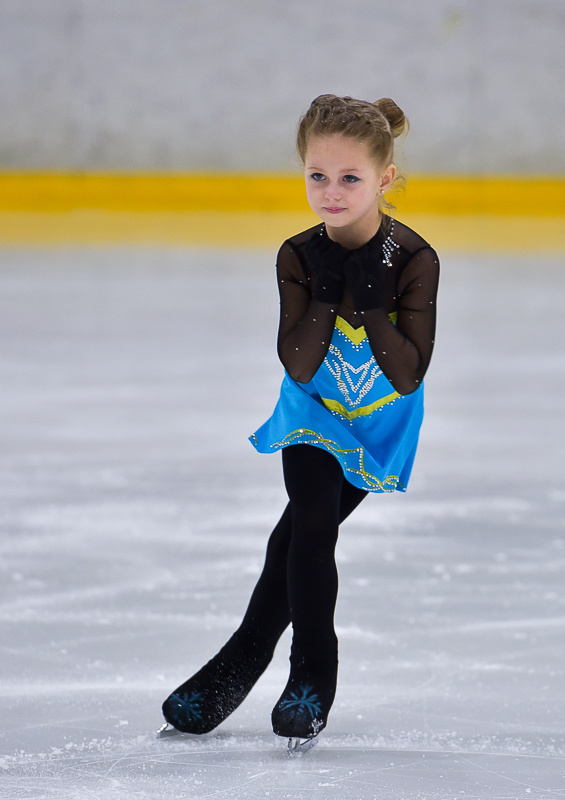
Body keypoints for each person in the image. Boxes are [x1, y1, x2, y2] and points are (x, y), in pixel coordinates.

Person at [161, 94, 440, 746]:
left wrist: (371, 303)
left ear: (384, 179)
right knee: (308, 526)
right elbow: (299, 358)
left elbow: (407, 373)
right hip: (311, 408)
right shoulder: (297, 253)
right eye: (318, 175)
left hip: (378, 419)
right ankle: (313, 679)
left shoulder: (416, 259)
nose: (331, 192)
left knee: (290, 543)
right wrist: (325, 288)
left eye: (350, 178)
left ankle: (234, 667)